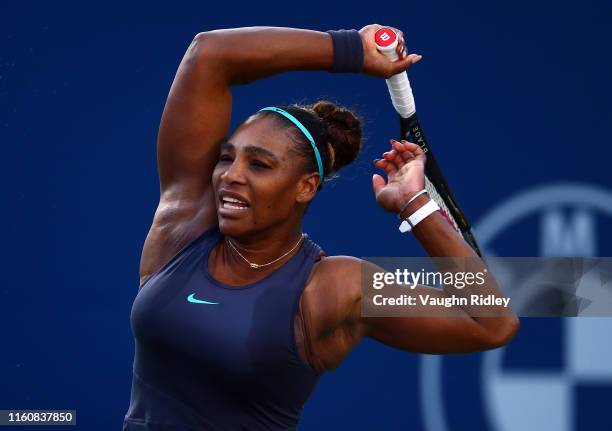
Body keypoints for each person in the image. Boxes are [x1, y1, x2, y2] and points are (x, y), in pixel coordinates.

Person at [123, 25, 519, 430]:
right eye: (227, 158)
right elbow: (209, 53)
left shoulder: (334, 288)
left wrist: (415, 207)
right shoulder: (185, 224)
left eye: (258, 165)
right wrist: (348, 50)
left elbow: (490, 324)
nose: (230, 176)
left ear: (306, 187)